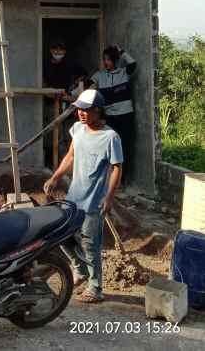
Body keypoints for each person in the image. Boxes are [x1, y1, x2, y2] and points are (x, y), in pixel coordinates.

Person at [44, 88, 123, 304]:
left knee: (90, 244)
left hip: (93, 202)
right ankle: (80, 270)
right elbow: (71, 155)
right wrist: (56, 177)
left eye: (86, 110)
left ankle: (96, 287)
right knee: (62, 235)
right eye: (79, 109)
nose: (81, 113)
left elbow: (117, 168)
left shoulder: (110, 137)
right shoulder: (77, 129)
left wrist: (109, 198)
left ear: (98, 111)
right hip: (73, 198)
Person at [90, 45, 136, 179]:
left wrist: (121, 51)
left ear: (115, 60)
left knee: (125, 147)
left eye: (109, 59)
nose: (106, 62)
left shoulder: (124, 73)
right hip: (110, 117)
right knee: (110, 148)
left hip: (126, 115)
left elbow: (133, 64)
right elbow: (87, 84)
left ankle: (122, 179)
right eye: (104, 59)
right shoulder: (99, 76)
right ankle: (110, 178)